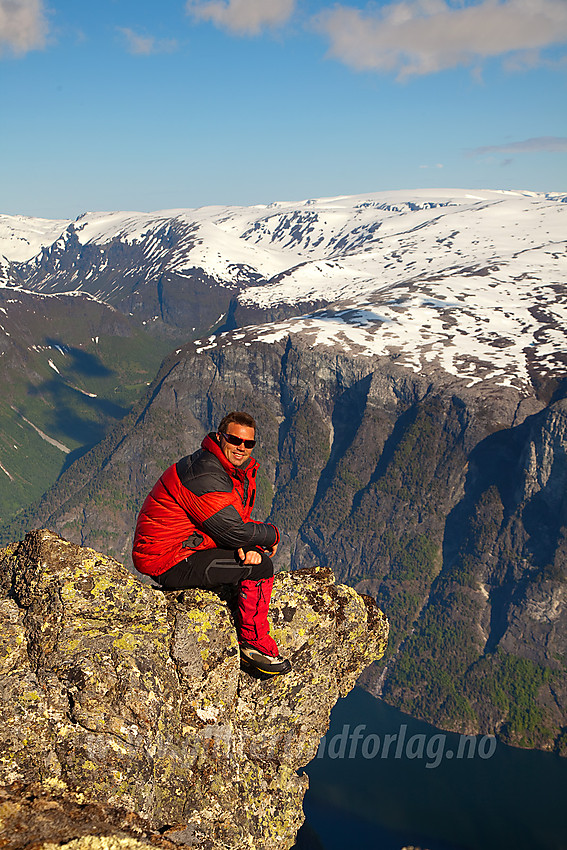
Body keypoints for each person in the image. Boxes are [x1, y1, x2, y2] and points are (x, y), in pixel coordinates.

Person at [132, 411, 291, 676]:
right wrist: (270, 535)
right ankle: (254, 646)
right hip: (167, 559)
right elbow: (232, 531)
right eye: (234, 439)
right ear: (220, 437)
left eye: (248, 443)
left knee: (251, 555)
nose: (241, 447)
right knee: (260, 567)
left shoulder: (219, 466)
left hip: (182, 546)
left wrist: (247, 544)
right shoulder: (205, 473)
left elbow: (229, 521)